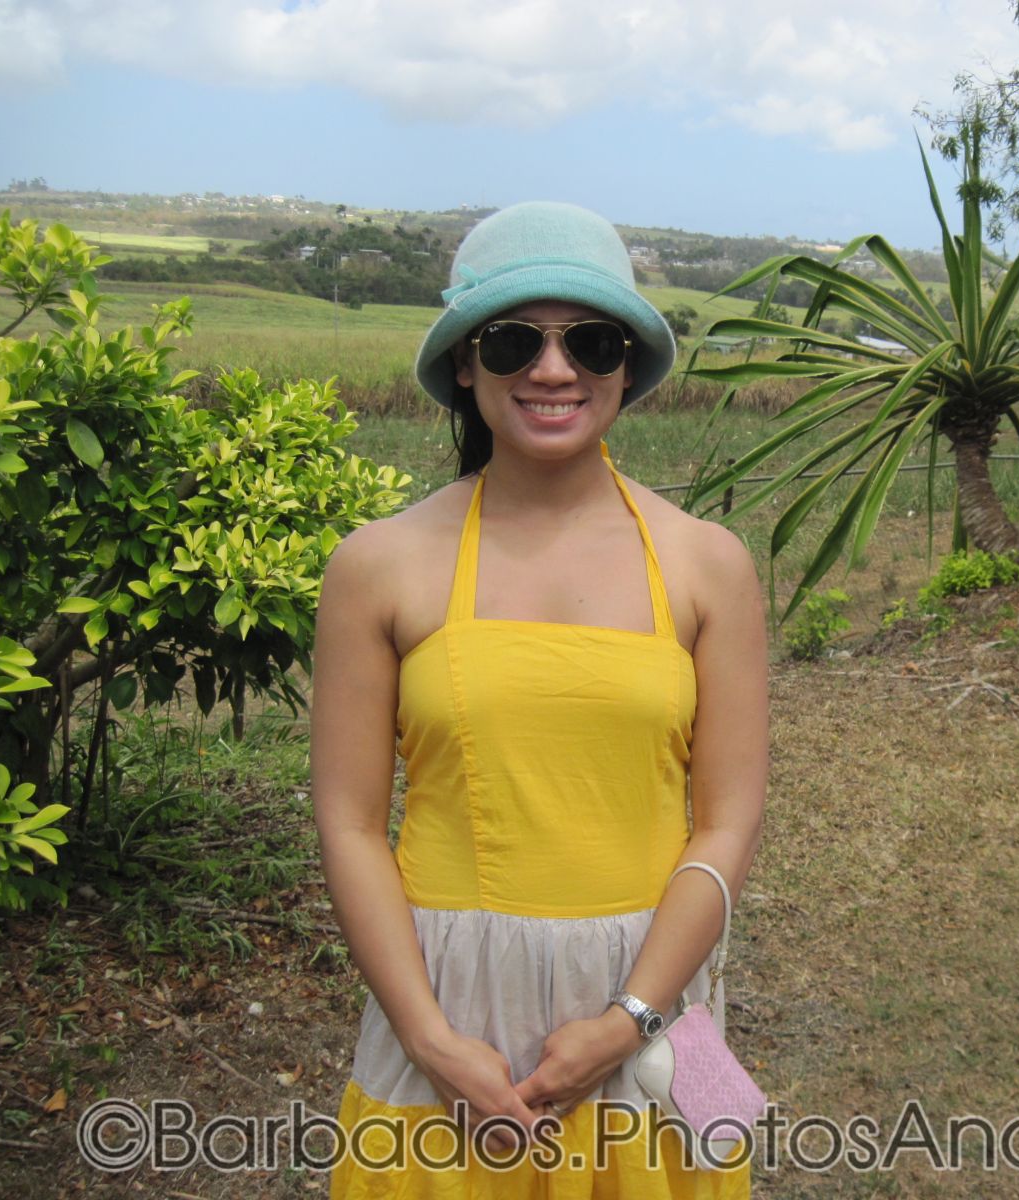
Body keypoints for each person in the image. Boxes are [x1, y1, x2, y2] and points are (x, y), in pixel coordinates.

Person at [310, 200, 769, 1197]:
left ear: (626, 368)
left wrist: (629, 1019)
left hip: (654, 998)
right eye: (514, 340)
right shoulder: (378, 566)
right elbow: (348, 823)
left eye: (591, 341)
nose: (553, 371)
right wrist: (430, 1040)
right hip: (448, 1002)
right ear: (466, 364)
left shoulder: (708, 565)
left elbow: (726, 822)